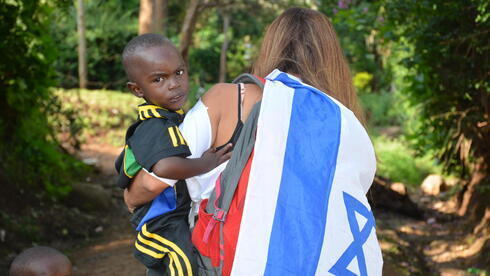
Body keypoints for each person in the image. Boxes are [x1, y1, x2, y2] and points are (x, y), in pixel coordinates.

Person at [115, 33, 232, 275]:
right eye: (159, 79)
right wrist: (205, 163)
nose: (174, 84)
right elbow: (166, 168)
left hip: (173, 213)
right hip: (159, 220)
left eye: (179, 73)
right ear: (137, 89)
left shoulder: (169, 117)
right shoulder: (153, 125)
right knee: (183, 263)